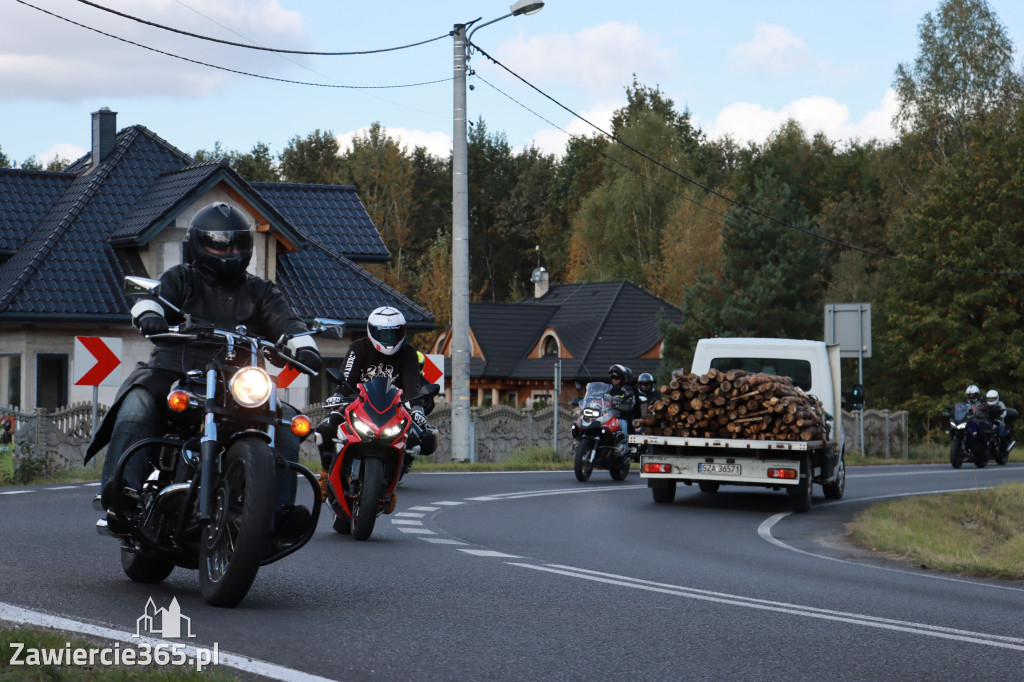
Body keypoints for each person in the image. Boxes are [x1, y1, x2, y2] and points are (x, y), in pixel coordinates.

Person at [85, 201, 322, 538]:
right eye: (219, 244)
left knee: (285, 423)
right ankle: (124, 495)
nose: (228, 251)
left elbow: (289, 324)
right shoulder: (182, 279)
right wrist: (150, 313)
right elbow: (153, 297)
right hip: (173, 373)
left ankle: (277, 512)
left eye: (237, 244)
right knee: (137, 402)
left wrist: (305, 348)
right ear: (199, 243)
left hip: (238, 383)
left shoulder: (262, 291)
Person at [315, 306, 436, 480]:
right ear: (371, 331)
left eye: (394, 333)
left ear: (402, 332)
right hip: (357, 403)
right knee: (325, 428)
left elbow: (412, 384)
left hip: (395, 407)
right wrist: (338, 395)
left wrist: (417, 408)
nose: (389, 339)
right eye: (383, 334)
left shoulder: (408, 352)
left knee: (417, 436)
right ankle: (325, 474)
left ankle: (396, 475)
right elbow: (347, 376)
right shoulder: (358, 348)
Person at [607, 364, 636, 457]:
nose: (614, 380)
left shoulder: (627, 389)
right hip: (607, 416)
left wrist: (616, 404)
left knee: (622, 427)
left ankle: (625, 450)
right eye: (613, 378)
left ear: (623, 378)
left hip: (621, 417)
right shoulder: (608, 389)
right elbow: (598, 395)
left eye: (617, 378)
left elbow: (630, 404)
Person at [983, 389, 1014, 454]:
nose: (991, 400)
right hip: (987, 423)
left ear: (997, 398)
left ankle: (1004, 449)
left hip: (999, 423)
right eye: (989, 398)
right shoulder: (985, 404)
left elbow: (1004, 412)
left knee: (1002, 434)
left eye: (992, 399)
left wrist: (1000, 417)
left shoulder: (1000, 404)